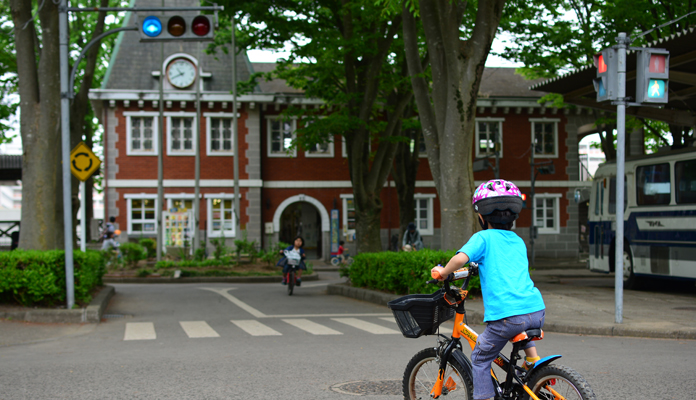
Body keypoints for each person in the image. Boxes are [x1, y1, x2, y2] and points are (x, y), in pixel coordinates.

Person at [431, 179, 546, 400]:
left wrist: (444, 272)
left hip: (507, 317)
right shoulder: (518, 241)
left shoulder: (482, 238)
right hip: (536, 310)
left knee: (480, 358)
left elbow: (461, 258)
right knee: (519, 320)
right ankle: (533, 362)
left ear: (482, 216)